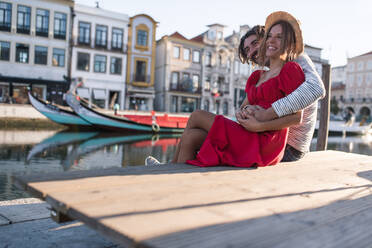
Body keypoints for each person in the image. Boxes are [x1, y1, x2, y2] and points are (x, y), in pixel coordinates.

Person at [146, 11, 307, 167]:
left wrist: (260, 125)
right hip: (249, 132)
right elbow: (242, 108)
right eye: (270, 36)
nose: (272, 41)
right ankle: (173, 172)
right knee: (191, 137)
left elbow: (296, 118)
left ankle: (168, 167)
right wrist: (244, 112)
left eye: (279, 37)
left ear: (288, 42)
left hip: (266, 141)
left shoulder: (290, 70)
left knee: (197, 115)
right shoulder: (257, 76)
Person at [237, 22, 325, 162]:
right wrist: (248, 110)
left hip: (289, 146)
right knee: (204, 135)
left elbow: (316, 88)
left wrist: (265, 116)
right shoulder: (266, 74)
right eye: (247, 50)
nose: (251, 52)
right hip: (270, 138)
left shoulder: (294, 56)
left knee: (210, 135)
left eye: (255, 44)